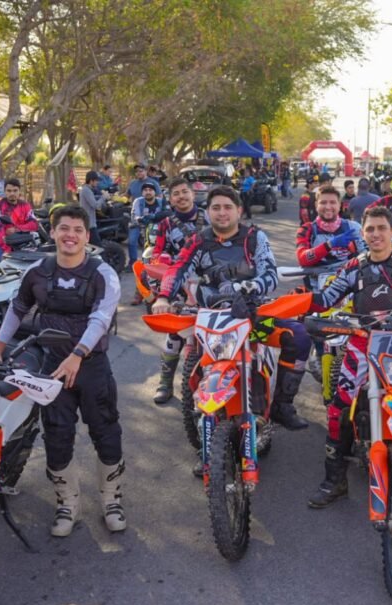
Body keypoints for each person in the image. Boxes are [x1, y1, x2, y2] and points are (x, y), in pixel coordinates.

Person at [0, 204, 124, 537]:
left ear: (87, 236)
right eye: (64, 228)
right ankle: (67, 504)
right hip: (52, 368)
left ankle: (111, 500)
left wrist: (77, 355)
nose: (70, 235)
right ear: (54, 232)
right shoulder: (37, 271)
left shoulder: (103, 274)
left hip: (91, 366)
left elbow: (101, 319)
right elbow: (17, 309)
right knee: (57, 436)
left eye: (77, 230)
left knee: (106, 432)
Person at [306, 206, 392, 508]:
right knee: (338, 409)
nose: (376, 234)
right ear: (363, 233)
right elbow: (325, 298)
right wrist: (301, 302)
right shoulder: (353, 267)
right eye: (370, 229)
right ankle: (335, 480)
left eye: (382, 228)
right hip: (361, 345)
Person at [152, 186, 312, 453]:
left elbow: (270, 272)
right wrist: (163, 297)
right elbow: (178, 268)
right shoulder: (198, 240)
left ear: (239, 210)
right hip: (210, 318)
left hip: (253, 316)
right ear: (207, 212)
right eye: (216, 208)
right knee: (186, 349)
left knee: (299, 336)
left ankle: (282, 405)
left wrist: (250, 286)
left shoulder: (254, 237)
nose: (222, 213)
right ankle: (198, 418)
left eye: (228, 207)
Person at [149, 177, 210, 404]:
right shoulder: (165, 224)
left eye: (185, 192)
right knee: (174, 334)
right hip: (178, 285)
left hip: (212, 284)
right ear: (170, 199)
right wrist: (162, 263)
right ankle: (165, 382)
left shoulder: (211, 216)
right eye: (176, 193)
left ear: (193, 194)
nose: (181, 197)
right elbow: (157, 253)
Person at [296, 184, 365, 378]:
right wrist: (329, 245)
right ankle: (318, 351)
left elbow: (368, 255)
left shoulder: (353, 227)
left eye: (332, 202)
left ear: (340, 205)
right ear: (316, 205)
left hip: (350, 287)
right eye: (323, 202)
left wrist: (357, 251)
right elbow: (303, 258)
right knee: (304, 326)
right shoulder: (307, 229)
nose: (328, 207)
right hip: (317, 288)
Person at [129, 182, 169, 300]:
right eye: (145, 190)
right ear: (142, 193)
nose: (148, 192)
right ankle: (139, 292)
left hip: (163, 234)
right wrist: (140, 219)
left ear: (155, 192)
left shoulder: (161, 201)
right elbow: (134, 215)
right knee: (144, 264)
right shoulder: (138, 202)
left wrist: (155, 217)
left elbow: (169, 213)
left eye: (150, 190)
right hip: (146, 235)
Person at [0, 178, 39, 255]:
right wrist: (7, 250)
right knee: (1, 261)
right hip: (3, 243)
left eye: (15, 190)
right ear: (5, 191)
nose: (12, 193)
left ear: (19, 191)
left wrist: (16, 229)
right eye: (9, 191)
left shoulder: (25, 205)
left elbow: (34, 224)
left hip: (23, 242)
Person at [78, 171, 106, 246]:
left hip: (90, 223)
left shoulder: (88, 190)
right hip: (89, 225)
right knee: (98, 247)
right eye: (96, 180)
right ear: (91, 181)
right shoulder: (86, 190)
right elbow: (95, 205)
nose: (97, 182)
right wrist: (104, 197)